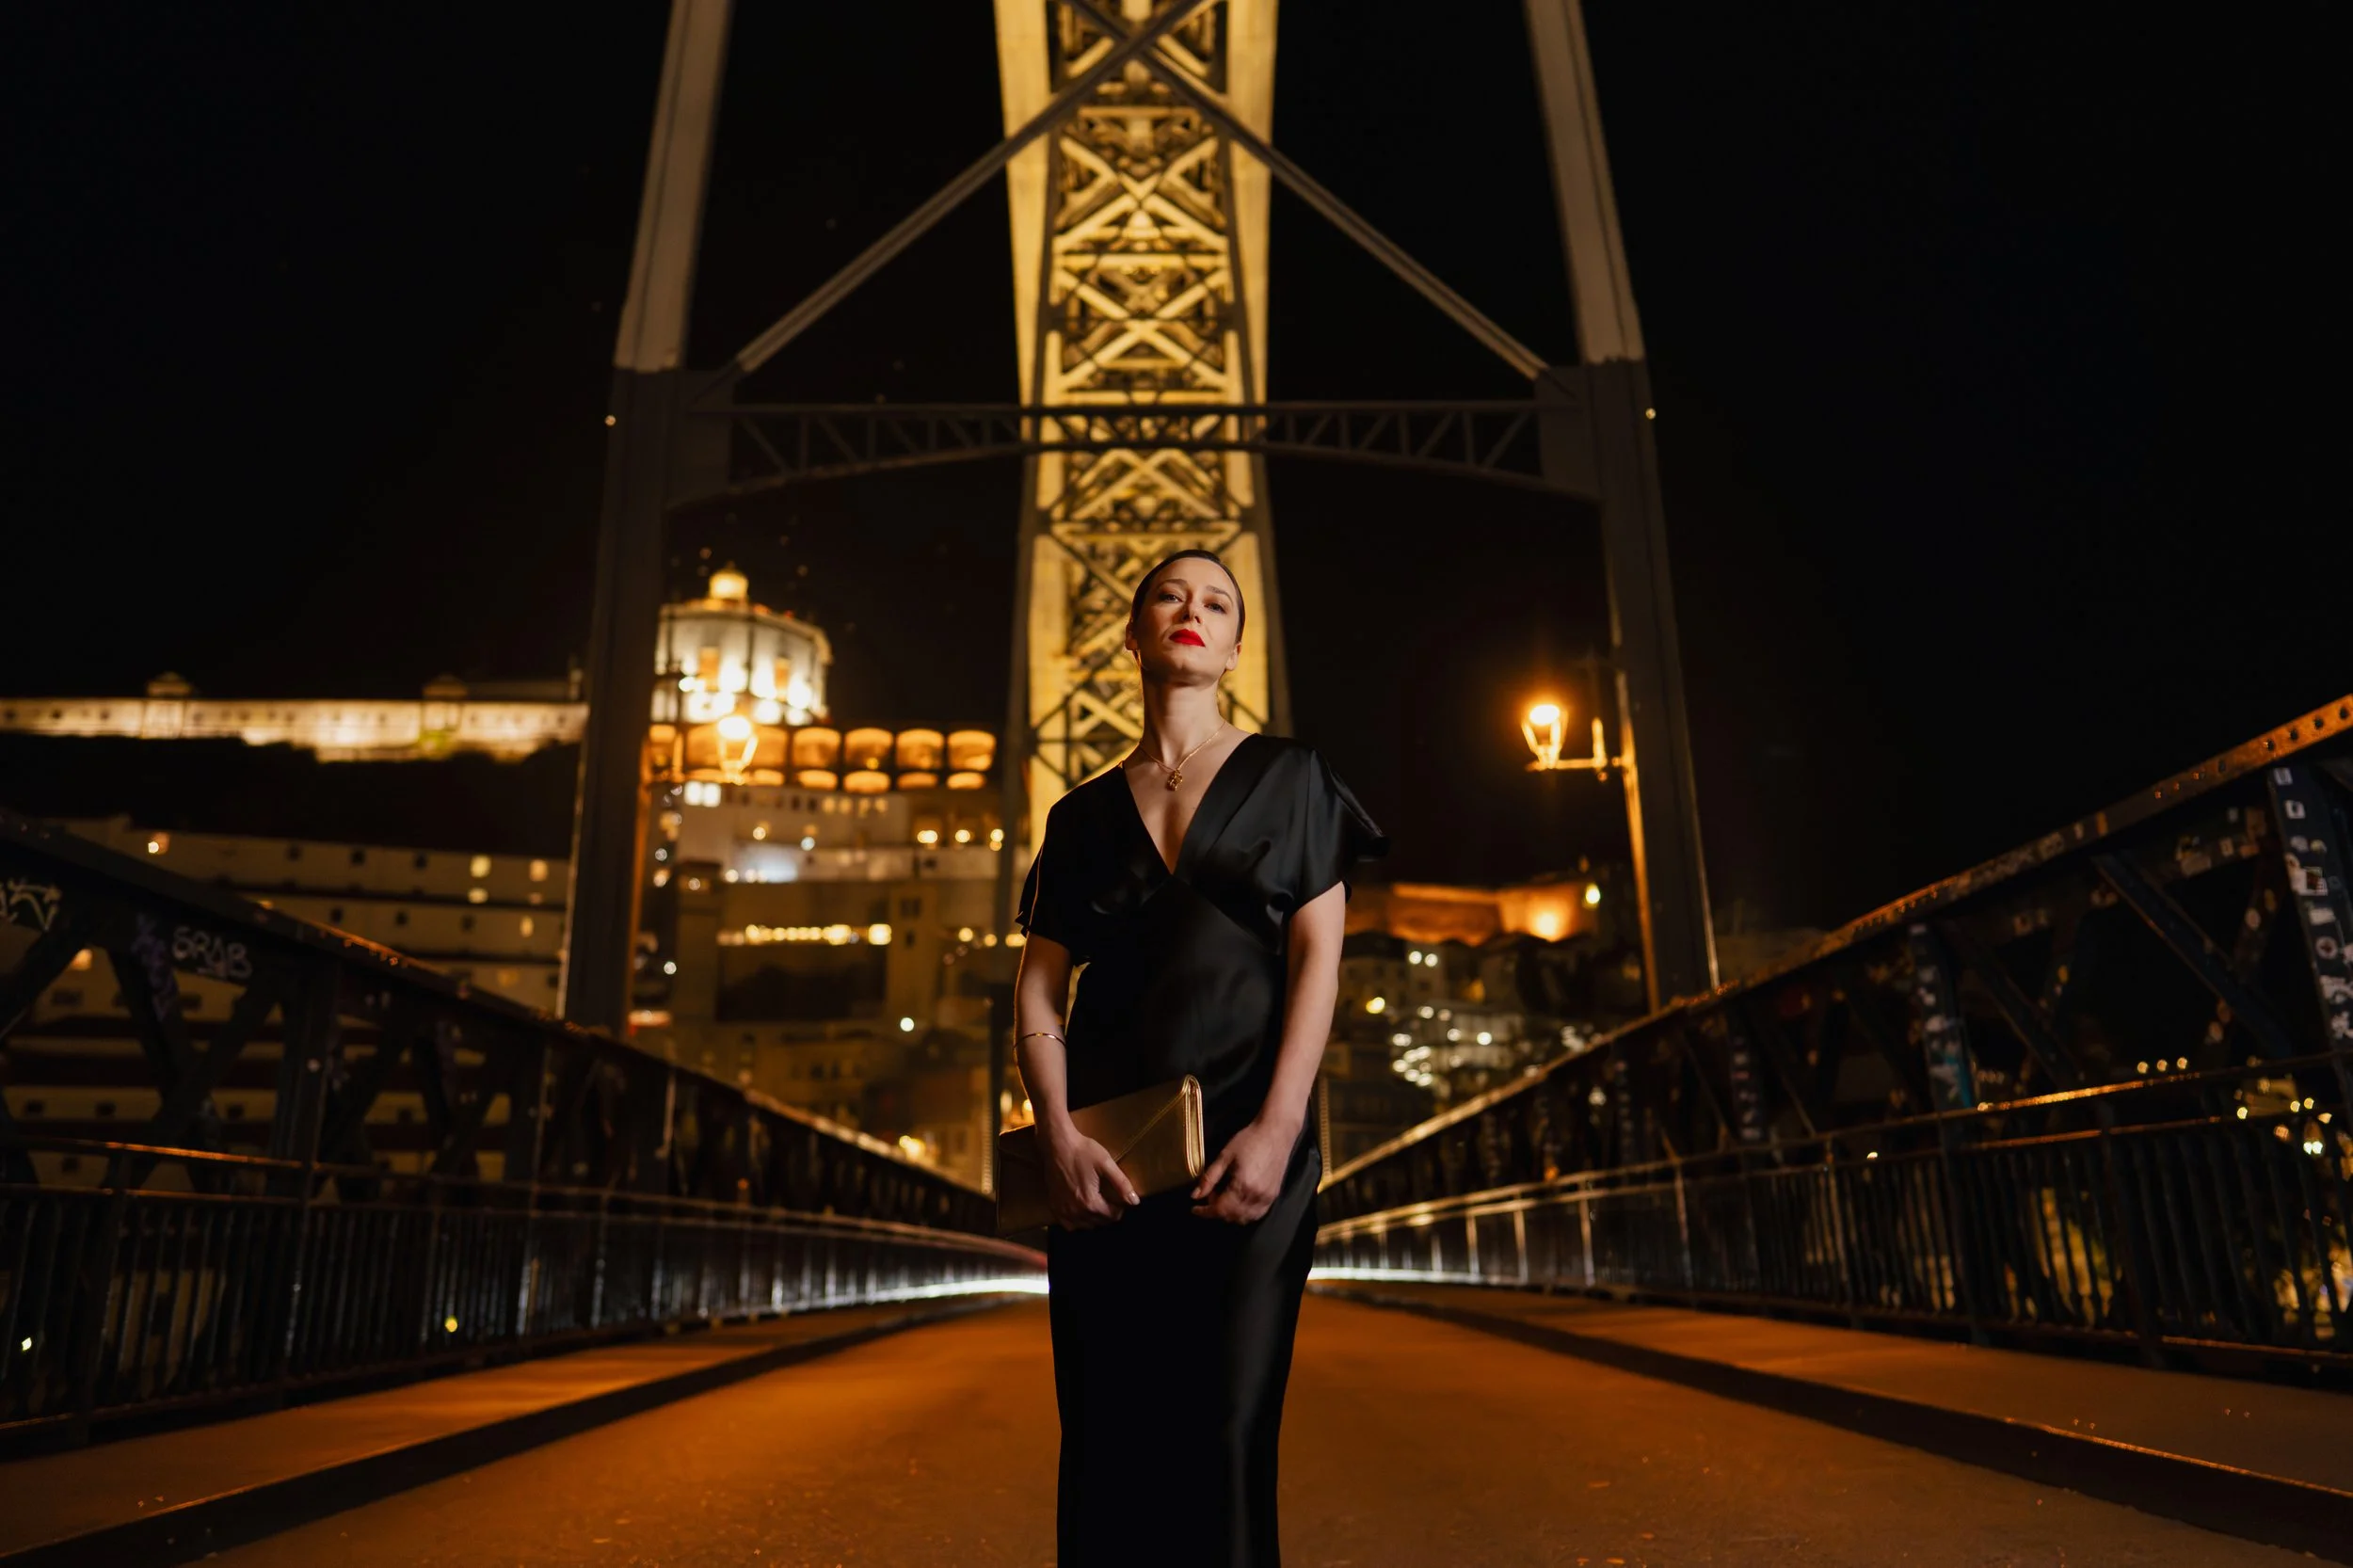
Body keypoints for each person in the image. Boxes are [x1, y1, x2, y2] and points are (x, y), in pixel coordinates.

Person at [1011, 547, 1389, 1567]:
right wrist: (1055, 1136)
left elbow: (1318, 960)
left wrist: (1279, 1128)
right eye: (1168, 596)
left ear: (1232, 647)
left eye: (1216, 602)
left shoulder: (1295, 776)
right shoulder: (1079, 813)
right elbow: (1040, 989)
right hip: (1106, 1154)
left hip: (1249, 1139)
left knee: (1225, 1433)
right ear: (1131, 635)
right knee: (1104, 1438)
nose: (1192, 609)